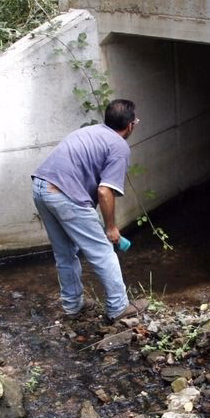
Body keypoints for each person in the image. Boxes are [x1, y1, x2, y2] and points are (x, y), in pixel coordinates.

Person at [31, 99, 148, 322]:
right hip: (64, 194)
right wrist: (111, 227)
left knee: (65, 253)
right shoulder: (119, 146)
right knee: (103, 252)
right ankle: (118, 307)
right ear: (130, 125)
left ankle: (73, 306)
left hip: (40, 185)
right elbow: (105, 191)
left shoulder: (91, 131)